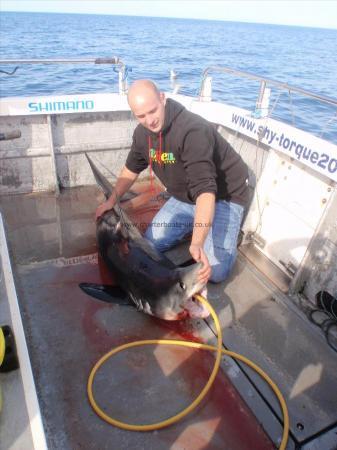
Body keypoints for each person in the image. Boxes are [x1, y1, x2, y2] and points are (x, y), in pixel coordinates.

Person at [96, 79, 249, 289]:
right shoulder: (142, 135)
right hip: (184, 196)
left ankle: (221, 232)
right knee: (150, 244)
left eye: (152, 111)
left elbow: (205, 192)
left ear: (162, 98)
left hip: (224, 194)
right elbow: (130, 169)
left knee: (215, 271)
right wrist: (111, 201)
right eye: (141, 116)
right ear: (134, 114)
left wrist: (196, 243)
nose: (149, 121)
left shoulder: (192, 131)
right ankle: (200, 227)